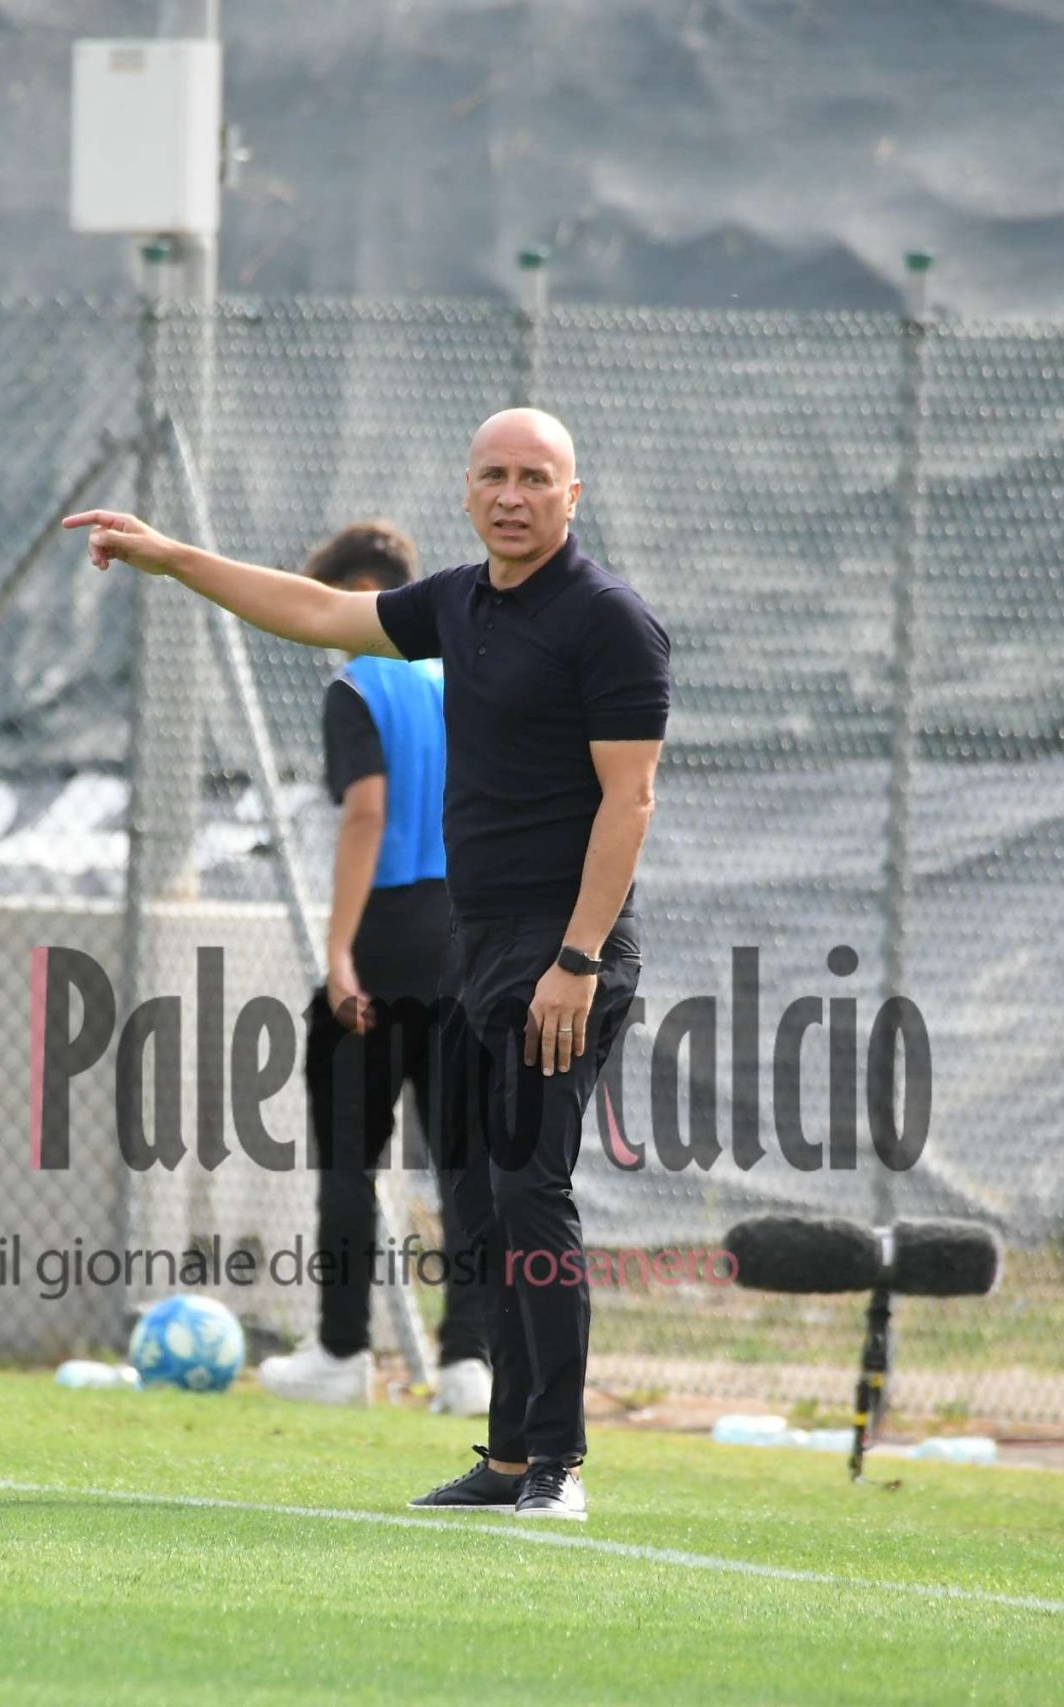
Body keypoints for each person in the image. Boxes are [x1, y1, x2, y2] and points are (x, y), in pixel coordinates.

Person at [67, 407, 667, 1521]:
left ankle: (557, 1464)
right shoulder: (458, 603)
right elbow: (315, 608)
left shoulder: (608, 621)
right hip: (478, 953)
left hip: (564, 954)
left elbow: (629, 800)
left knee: (529, 1189)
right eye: (492, 473)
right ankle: (501, 1459)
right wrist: (171, 557)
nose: (511, 494)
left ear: (572, 497)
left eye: (536, 478)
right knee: (485, 1195)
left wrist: (578, 959)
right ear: (465, 487)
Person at [256, 520, 492, 1416]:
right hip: (466, 931)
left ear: (351, 597)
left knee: (350, 1154)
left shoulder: (355, 681)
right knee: (466, 1156)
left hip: (388, 928)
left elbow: (367, 811)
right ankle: (470, 1362)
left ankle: (343, 1352)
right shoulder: (453, 676)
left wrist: (340, 948)